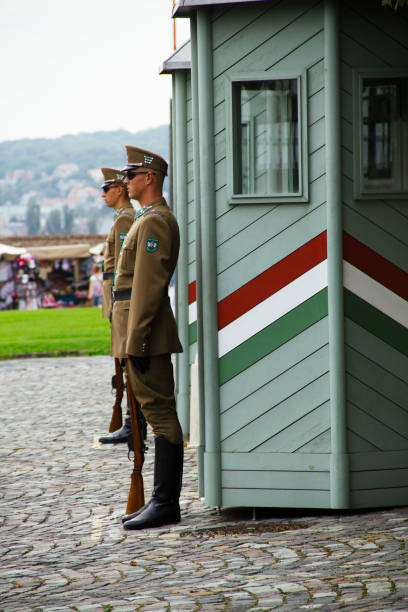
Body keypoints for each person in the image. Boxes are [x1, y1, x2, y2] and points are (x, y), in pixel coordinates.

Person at [111, 145, 183, 530]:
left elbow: (149, 288)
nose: (125, 182)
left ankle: (165, 502)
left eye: (130, 175)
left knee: (160, 415)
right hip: (138, 331)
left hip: (146, 335)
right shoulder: (146, 218)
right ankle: (159, 500)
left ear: (149, 177)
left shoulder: (154, 221)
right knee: (154, 414)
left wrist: (136, 342)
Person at [97, 168, 135, 442]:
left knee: (126, 361)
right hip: (115, 293)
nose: (102, 194)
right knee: (122, 361)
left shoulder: (125, 219)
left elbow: (123, 263)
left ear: (118, 189)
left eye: (106, 188)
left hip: (119, 294)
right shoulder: (120, 218)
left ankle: (133, 423)